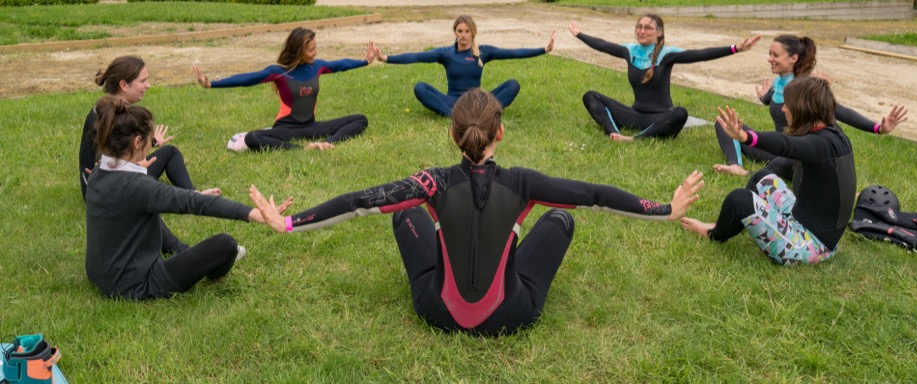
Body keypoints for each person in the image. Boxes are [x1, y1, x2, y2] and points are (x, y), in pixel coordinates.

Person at [249, 88, 704, 335]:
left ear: (453, 135)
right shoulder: (522, 183)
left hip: (437, 312)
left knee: (403, 212)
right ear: (499, 133)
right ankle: (509, 240)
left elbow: (358, 202)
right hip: (510, 315)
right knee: (562, 218)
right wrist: (663, 209)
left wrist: (288, 222)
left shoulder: (431, 182)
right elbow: (596, 194)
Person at [84, 96, 289, 300]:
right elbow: (195, 204)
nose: (151, 143)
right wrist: (254, 213)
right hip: (137, 285)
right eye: (149, 138)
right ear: (137, 141)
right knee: (225, 245)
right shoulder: (139, 187)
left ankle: (179, 249)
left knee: (145, 212)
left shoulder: (98, 172)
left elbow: (136, 197)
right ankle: (211, 265)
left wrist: (140, 172)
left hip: (101, 275)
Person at [681, 76, 856, 265]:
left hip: (810, 246)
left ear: (803, 109)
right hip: (803, 222)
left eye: (788, 104)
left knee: (739, 199)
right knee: (762, 178)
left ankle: (714, 233)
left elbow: (785, 145)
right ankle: (741, 224)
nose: (783, 109)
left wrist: (745, 137)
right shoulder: (834, 136)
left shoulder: (821, 145)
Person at [713, 34, 908, 176]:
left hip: (797, 154)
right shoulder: (777, 83)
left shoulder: (805, 87)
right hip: (776, 148)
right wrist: (764, 97)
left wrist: (878, 128)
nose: (769, 59)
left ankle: (753, 174)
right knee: (725, 124)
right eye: (769, 54)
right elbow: (770, 101)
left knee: (786, 159)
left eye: (775, 55)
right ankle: (736, 165)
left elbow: (838, 111)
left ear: (793, 58)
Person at [568, 15, 761, 140]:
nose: (642, 31)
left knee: (680, 113)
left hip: (661, 118)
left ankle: (635, 139)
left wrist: (735, 48)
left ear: (659, 33)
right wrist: (580, 35)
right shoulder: (630, 51)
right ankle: (614, 133)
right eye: (639, 27)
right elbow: (603, 45)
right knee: (590, 96)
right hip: (635, 115)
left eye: (648, 28)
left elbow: (700, 53)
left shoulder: (667, 54)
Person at [194, 27, 377, 152]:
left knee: (360, 119)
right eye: (311, 50)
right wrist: (212, 84)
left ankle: (325, 144)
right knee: (252, 137)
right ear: (298, 51)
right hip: (286, 129)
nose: (316, 53)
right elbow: (248, 78)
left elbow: (340, 64)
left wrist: (365, 61)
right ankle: (301, 149)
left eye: (315, 48)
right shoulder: (279, 72)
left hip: (311, 127)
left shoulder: (317, 67)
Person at [78, 55, 214, 201]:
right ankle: (192, 197)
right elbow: (107, 168)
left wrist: (151, 142)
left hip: (104, 185)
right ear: (123, 85)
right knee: (156, 189)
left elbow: (121, 151)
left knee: (170, 152)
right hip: (104, 192)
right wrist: (137, 167)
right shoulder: (112, 118)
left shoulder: (107, 109)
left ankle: (192, 193)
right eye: (143, 81)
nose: (148, 85)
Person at [374, 15, 555, 117]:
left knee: (513, 84)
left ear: (472, 33)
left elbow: (514, 53)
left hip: (477, 101)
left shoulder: (483, 52)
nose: (463, 35)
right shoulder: (446, 53)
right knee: (420, 87)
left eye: (467, 31)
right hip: (453, 102)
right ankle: (453, 116)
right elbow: (416, 56)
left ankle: (486, 113)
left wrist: (544, 49)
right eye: (460, 31)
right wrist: (385, 58)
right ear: (455, 32)